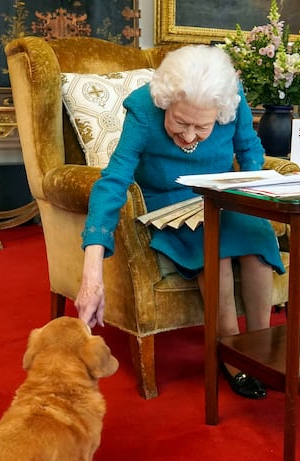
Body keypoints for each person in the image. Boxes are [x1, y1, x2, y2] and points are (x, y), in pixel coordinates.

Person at [76, 44, 284, 400]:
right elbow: (113, 181)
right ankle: (230, 352)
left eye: (202, 127)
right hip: (168, 200)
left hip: (222, 194)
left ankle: (260, 347)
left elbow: (250, 151)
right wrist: (92, 270)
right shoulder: (144, 108)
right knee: (214, 251)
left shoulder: (231, 98)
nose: (189, 136)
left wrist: (251, 193)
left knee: (258, 244)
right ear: (166, 102)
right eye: (180, 122)